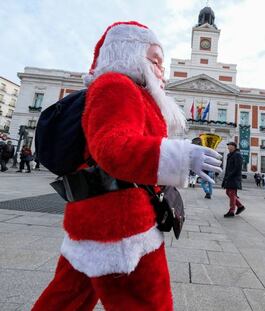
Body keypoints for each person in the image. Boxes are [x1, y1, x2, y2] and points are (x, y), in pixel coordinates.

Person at [32, 21, 222, 311]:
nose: (163, 72)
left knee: (66, 299)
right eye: (156, 61)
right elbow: (113, 149)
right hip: (121, 229)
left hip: (97, 218)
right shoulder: (117, 87)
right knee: (147, 303)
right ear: (131, 55)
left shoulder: (132, 91)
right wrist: (180, 157)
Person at [222, 141, 245, 217]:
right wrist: (225, 178)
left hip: (234, 178)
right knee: (228, 192)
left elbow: (237, 168)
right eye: (228, 146)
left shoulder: (237, 155)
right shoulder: (230, 155)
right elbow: (228, 168)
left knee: (231, 193)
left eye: (229, 146)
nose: (228, 147)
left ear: (234, 147)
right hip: (229, 177)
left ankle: (231, 211)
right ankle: (240, 206)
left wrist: (230, 175)